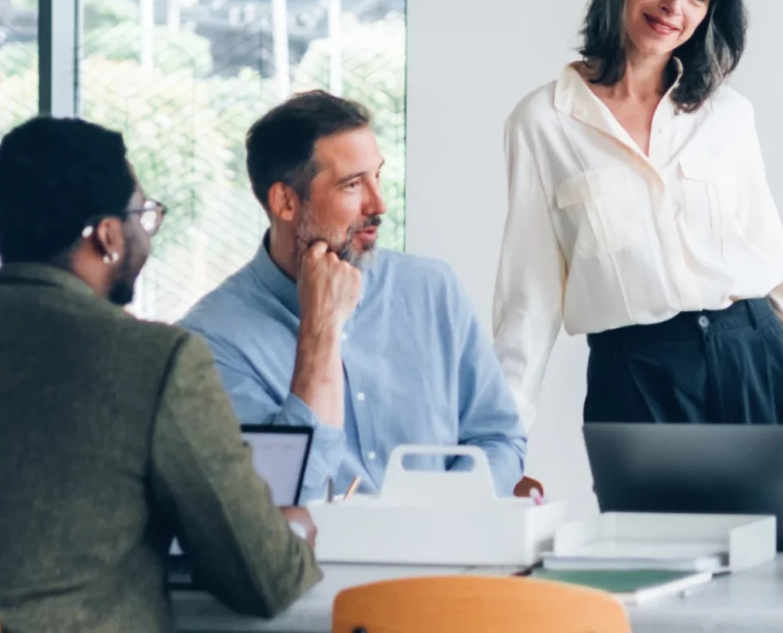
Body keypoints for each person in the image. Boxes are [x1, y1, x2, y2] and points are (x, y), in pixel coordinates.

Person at [0, 118, 321, 632]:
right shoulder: (156, 360)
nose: (145, 236)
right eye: (142, 217)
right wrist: (293, 536)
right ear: (108, 236)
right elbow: (264, 580)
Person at [494, 0, 783, 443]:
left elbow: (776, 269)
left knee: (775, 531)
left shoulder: (728, 114)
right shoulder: (542, 121)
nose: (675, 4)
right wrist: (501, 441)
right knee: (646, 532)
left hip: (754, 359)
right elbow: (528, 296)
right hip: (635, 378)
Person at [179, 91, 528, 503]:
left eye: (377, 176)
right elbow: (274, 498)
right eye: (352, 185)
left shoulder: (432, 289)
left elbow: (499, 439)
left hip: (443, 561)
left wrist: (438, 513)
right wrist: (320, 329)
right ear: (285, 202)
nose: (378, 203)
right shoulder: (209, 342)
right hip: (320, 566)